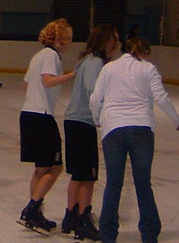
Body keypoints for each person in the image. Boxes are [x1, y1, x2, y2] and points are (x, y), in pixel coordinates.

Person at [89, 36, 179, 243]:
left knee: (113, 185)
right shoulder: (148, 69)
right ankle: (150, 235)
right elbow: (161, 97)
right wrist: (177, 120)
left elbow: (95, 98)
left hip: (113, 128)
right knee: (143, 184)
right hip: (141, 128)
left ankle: (107, 235)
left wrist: (98, 119)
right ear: (144, 52)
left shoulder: (109, 68)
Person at [61, 24, 121, 241]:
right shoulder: (96, 63)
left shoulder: (86, 60)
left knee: (80, 173)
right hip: (83, 122)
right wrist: (106, 114)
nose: (117, 44)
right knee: (88, 175)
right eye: (114, 39)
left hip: (75, 120)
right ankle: (83, 218)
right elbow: (93, 91)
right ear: (105, 41)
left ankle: (71, 215)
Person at [18, 18, 75, 233]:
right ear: (56, 38)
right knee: (56, 166)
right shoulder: (51, 56)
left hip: (28, 114)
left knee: (41, 168)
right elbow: (47, 81)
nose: (68, 42)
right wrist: (72, 75)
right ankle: (31, 208)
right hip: (41, 117)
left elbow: (26, 85)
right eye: (65, 38)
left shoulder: (39, 56)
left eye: (70, 38)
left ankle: (35, 211)